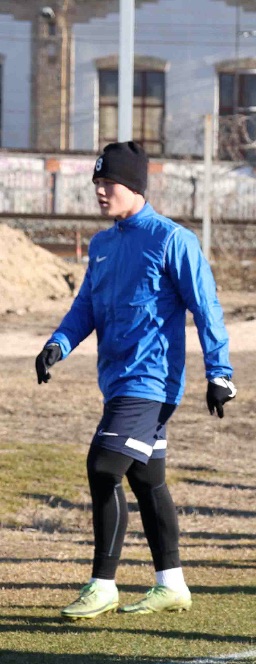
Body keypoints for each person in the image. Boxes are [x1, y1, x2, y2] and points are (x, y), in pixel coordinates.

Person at [35, 141, 236, 620]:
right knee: (147, 480)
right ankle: (172, 584)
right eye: (97, 183)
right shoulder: (102, 246)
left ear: (135, 186)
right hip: (117, 381)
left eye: (109, 183)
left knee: (104, 467)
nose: (101, 191)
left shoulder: (172, 239)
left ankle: (102, 585)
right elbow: (86, 306)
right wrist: (58, 344)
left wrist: (220, 372)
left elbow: (206, 306)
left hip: (152, 382)